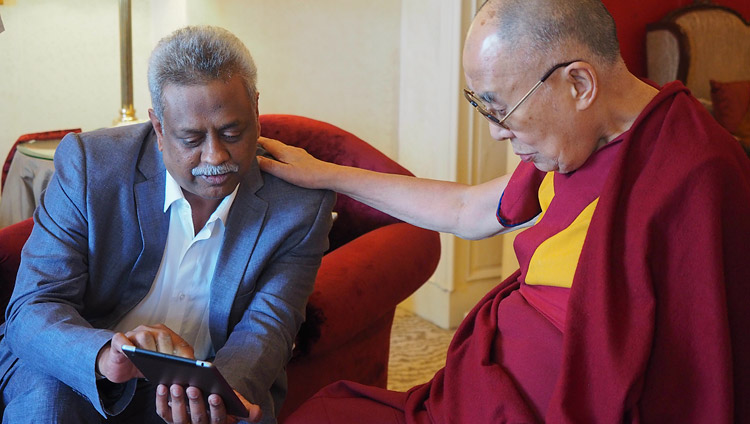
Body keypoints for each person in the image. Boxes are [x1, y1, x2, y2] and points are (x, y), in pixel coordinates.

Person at [257, 0, 750, 422]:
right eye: (482, 108)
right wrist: (326, 173)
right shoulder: (577, 141)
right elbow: (466, 208)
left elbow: (701, 372)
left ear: (579, 84)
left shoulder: (697, 173)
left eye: (501, 108)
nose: (495, 131)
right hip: (484, 390)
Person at [0, 26, 335, 424]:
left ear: (256, 111)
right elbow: (33, 306)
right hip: (80, 366)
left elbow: (267, 328)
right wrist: (107, 356)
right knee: (49, 406)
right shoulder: (91, 165)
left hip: (214, 378)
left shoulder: (298, 203)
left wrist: (217, 397)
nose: (215, 156)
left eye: (232, 132)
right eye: (191, 139)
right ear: (158, 128)